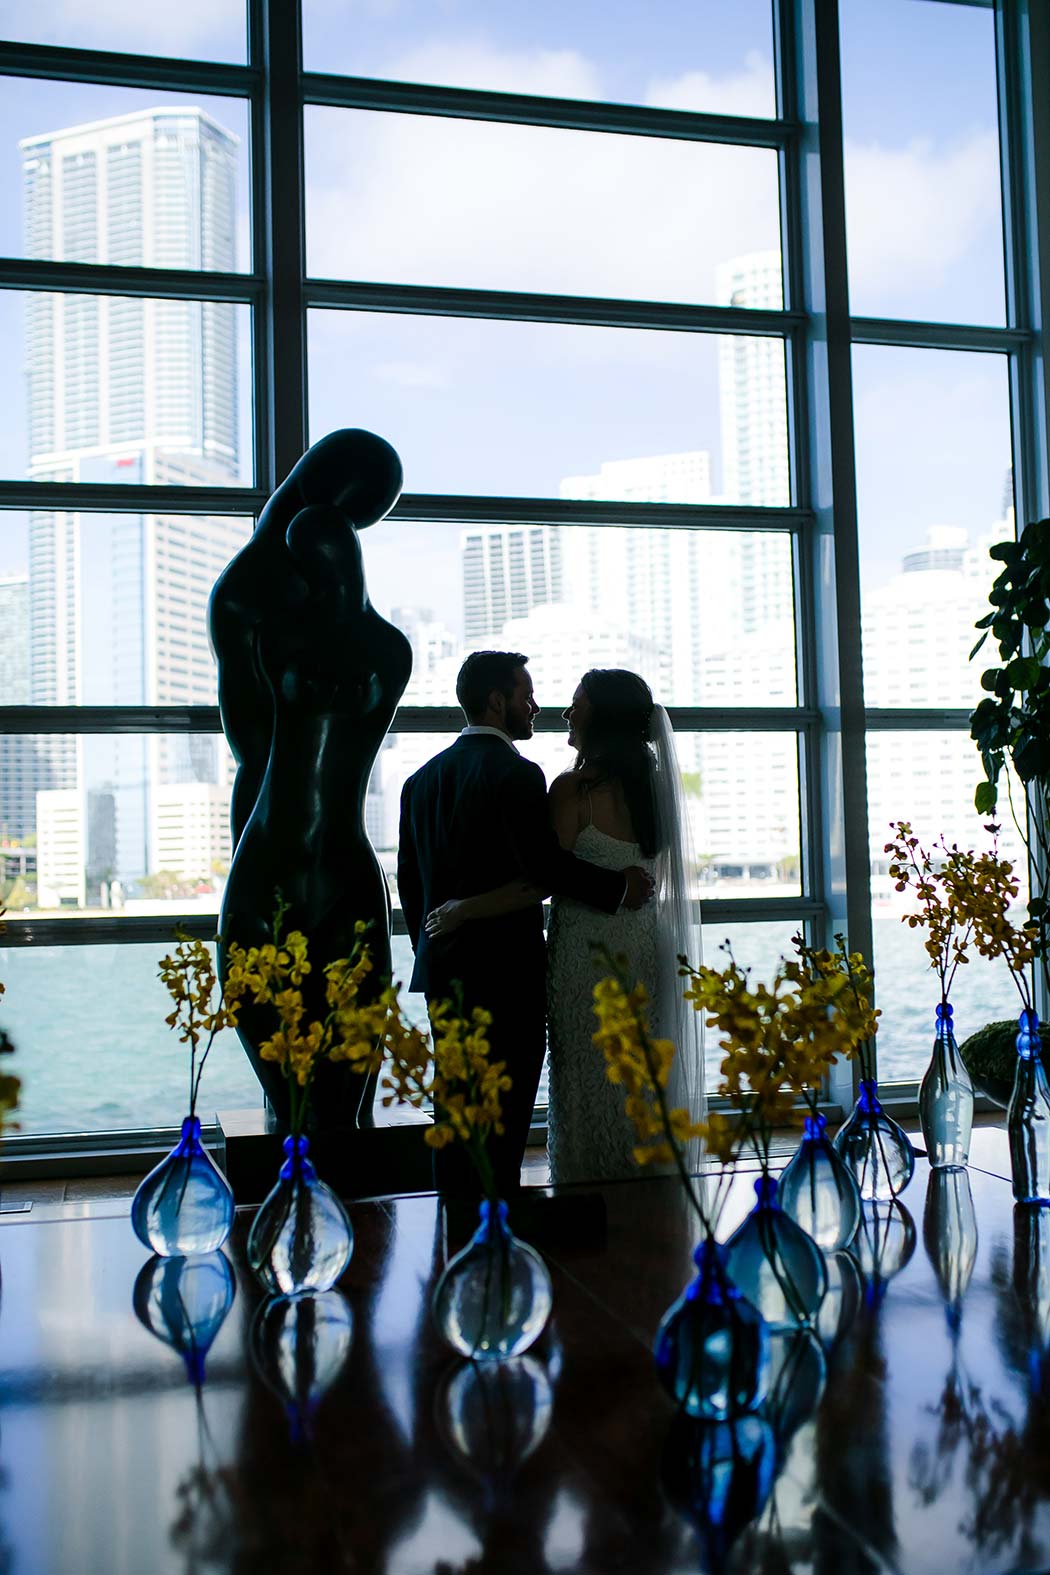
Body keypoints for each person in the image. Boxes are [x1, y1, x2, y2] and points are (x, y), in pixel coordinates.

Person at [425, 668, 703, 1185]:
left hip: (586, 958)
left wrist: (461, 909)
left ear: (602, 717)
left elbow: (541, 878)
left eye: (577, 704)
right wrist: (620, 886)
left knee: (586, 1076)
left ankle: (588, 1186)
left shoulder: (574, 788)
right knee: (636, 1076)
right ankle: (642, 1192)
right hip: (643, 948)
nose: (564, 713)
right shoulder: (657, 790)